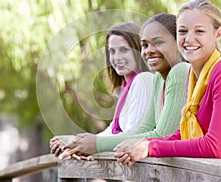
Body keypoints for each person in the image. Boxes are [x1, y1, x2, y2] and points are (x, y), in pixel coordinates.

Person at [114, 0, 221, 167]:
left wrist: (151, 147)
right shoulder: (193, 75)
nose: (189, 39)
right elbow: (182, 133)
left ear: (218, 33)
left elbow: (213, 146)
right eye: (182, 31)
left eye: (199, 31)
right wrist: (140, 144)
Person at [56, 13, 190, 159]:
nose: (149, 50)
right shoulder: (159, 78)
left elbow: (163, 135)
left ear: (178, 43)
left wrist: (97, 145)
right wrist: (83, 144)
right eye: (145, 45)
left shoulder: (179, 71)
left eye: (158, 42)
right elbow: (143, 129)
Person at [50, 22, 154, 157]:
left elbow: (132, 135)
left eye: (124, 50)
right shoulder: (128, 86)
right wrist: (75, 143)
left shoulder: (143, 80)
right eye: (112, 51)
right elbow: (112, 131)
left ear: (138, 50)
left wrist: (75, 142)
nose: (117, 58)